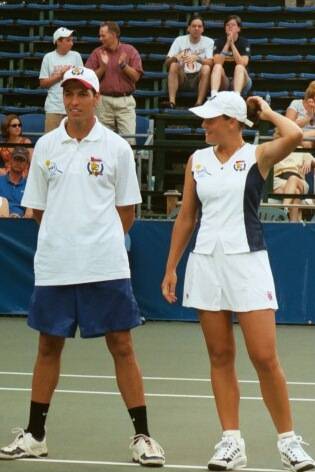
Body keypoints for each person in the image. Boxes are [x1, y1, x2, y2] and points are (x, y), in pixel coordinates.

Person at [0, 66, 165, 467]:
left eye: (81, 94)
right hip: (56, 265)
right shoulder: (47, 147)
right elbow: (38, 209)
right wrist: (65, 238)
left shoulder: (116, 148)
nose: (73, 101)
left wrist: (98, 239)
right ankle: (35, 435)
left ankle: (142, 437)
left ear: (95, 97)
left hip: (104, 266)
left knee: (122, 346)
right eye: (68, 94)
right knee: (47, 347)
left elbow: (126, 210)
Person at [161, 91, 315, 471]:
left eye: (211, 119)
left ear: (232, 121)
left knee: (264, 357)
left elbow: (295, 134)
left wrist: (264, 111)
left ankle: (289, 441)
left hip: (248, 263)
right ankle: (231, 442)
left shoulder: (257, 155)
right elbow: (186, 217)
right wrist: (171, 267)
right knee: (220, 356)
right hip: (206, 264)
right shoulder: (197, 161)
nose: (204, 125)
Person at [85, 21, 143, 142]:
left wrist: (124, 65)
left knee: (129, 141)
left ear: (113, 35)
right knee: (101, 141)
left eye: (103, 35)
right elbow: (88, 78)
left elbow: (136, 77)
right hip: (103, 101)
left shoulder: (130, 50)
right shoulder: (97, 53)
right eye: (99, 35)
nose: (100, 39)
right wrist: (102, 68)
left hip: (125, 101)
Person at [163, 14, 214, 109]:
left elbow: (212, 63)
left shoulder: (209, 41)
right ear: (188, 28)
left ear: (203, 29)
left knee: (206, 67)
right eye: (194, 26)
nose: (196, 28)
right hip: (183, 77)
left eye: (199, 26)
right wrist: (176, 57)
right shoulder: (179, 40)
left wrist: (198, 59)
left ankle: (199, 103)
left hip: (199, 78)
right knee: (173, 65)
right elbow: (166, 63)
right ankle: (172, 102)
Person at [39, 27, 83, 132]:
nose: (71, 43)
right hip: (53, 108)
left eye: (72, 40)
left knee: (74, 141)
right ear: (58, 41)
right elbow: (43, 83)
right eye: (68, 40)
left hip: (73, 107)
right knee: (51, 142)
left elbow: (82, 79)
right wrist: (60, 76)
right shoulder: (48, 57)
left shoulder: (76, 56)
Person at [210, 15, 252, 97]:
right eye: (227, 25)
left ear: (238, 29)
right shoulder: (219, 42)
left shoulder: (244, 42)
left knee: (239, 67)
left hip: (242, 80)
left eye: (233, 25)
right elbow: (217, 62)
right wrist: (227, 44)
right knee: (217, 66)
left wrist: (232, 45)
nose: (230, 27)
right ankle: (213, 95)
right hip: (224, 81)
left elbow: (243, 63)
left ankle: (237, 96)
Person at [273, 151, 315, 221]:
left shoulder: (301, 151)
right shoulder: (278, 149)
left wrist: (310, 160)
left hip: (299, 181)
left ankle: (284, 209)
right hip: (280, 181)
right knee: (296, 192)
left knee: (293, 178)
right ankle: (294, 224)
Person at [0, 147, 32, 218]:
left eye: (22, 160)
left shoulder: (29, 187)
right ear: (10, 160)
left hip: (22, 223)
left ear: (27, 165)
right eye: (16, 159)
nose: (18, 163)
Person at [285, 80, 315, 148]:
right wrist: (309, 116)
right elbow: (287, 127)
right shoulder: (296, 103)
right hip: (297, 140)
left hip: (299, 138)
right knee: (306, 144)